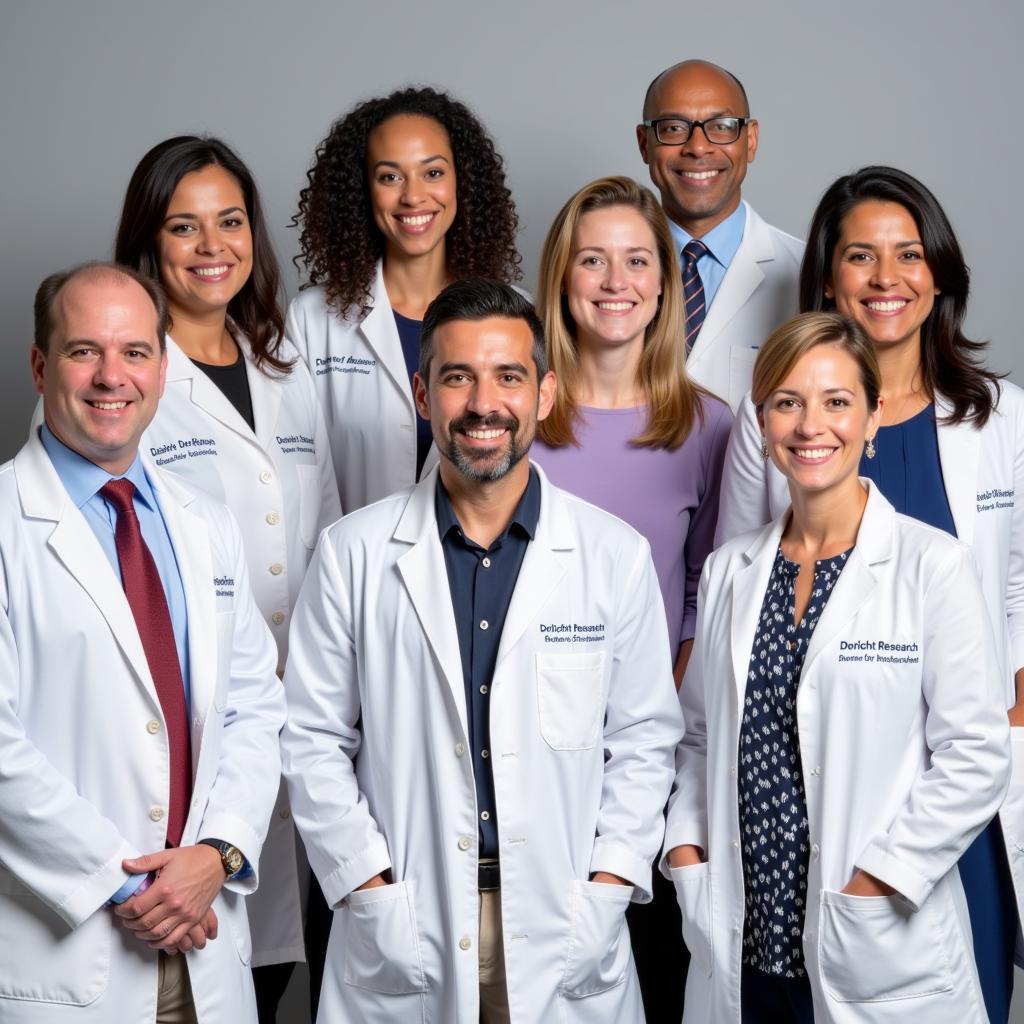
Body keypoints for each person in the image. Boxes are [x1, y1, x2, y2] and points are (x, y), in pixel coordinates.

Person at [281, 279, 683, 1022]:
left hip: (563, 915)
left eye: (508, 376)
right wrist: (366, 886)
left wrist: (609, 881)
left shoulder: (610, 555)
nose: (482, 402)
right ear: (423, 394)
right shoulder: (354, 555)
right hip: (408, 913)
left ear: (544, 394)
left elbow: (645, 741)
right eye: (457, 375)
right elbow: (310, 740)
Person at [717, 166, 1024, 1020]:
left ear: (941, 274)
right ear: (826, 277)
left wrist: (1006, 721)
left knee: (953, 981)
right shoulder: (773, 420)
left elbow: (1020, 590)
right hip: (815, 784)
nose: (887, 278)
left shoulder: (1002, 419)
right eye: (861, 256)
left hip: (960, 795)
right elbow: (740, 576)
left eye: (910, 254)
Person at [666, 311, 1010, 1022]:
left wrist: (877, 881)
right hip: (740, 942)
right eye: (787, 402)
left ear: (873, 415)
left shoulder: (932, 566)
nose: (810, 425)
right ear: (762, 422)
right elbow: (696, 738)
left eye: (836, 401)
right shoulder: (733, 569)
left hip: (873, 942)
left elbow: (976, 754)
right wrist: (688, 849)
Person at [0, 262, 285, 1023]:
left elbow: (255, 709)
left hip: (207, 943)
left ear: (162, 367)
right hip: (73, 949)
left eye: (134, 352)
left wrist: (216, 854)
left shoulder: (206, 521)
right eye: (83, 351)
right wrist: (132, 884)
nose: (110, 377)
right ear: (39, 365)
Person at [114, 135, 341, 1022]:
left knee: (293, 969)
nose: (213, 246)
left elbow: (320, 548)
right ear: (149, 240)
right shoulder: (123, 376)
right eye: (184, 226)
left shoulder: (286, 368)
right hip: (191, 740)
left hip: (303, 726)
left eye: (231, 222)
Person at [531, 175, 731, 1019]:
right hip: (528, 736)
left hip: (654, 742)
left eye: (636, 261)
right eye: (593, 261)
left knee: (647, 965)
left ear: (663, 283)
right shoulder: (514, 415)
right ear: (561, 280)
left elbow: (709, 587)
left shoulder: (711, 425)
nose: (616, 281)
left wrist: (658, 698)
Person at [287, 85, 522, 513]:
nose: (413, 195)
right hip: (351, 568)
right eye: (390, 176)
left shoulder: (516, 314)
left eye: (433, 173)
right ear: (364, 190)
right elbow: (299, 475)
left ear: (462, 182)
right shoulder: (311, 320)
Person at [636, 59, 803, 410]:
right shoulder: (600, 280)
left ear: (751, 140)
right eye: (673, 128)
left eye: (722, 126)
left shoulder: (806, 274)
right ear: (644, 143)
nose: (698, 146)